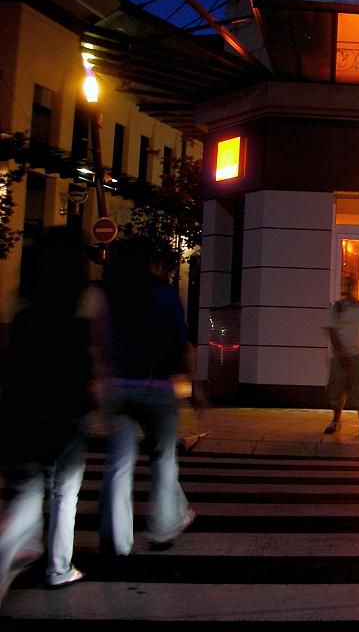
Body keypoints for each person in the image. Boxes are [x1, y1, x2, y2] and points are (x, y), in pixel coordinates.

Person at [86, 238, 198, 557]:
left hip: (118, 387)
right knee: (163, 459)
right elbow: (181, 341)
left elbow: (98, 341)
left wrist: (102, 380)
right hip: (156, 386)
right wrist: (195, 386)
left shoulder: (107, 295)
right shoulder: (163, 293)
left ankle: (116, 541)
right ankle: (162, 527)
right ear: (149, 263)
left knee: (118, 464)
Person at [0, 228, 94, 605]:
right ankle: (58, 567)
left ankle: (13, 554)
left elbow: (11, 366)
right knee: (64, 492)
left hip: (23, 412)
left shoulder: (23, 314)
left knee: (25, 490)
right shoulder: (77, 315)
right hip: (66, 413)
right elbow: (83, 369)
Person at [324, 275, 359, 440]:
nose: (348, 288)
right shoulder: (337, 308)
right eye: (346, 285)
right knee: (337, 390)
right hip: (340, 355)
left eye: (351, 285)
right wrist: (340, 353)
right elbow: (332, 332)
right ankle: (335, 420)